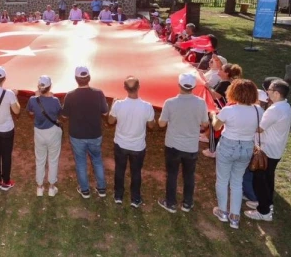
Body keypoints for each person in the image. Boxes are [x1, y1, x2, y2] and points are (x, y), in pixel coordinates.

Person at [211, 79, 261, 230]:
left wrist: (213, 114)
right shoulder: (259, 110)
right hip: (246, 147)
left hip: (228, 145)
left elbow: (216, 126)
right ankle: (234, 216)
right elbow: (258, 128)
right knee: (237, 182)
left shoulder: (229, 110)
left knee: (222, 180)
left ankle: (222, 211)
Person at [157, 73, 209, 213]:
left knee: (172, 174)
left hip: (173, 145)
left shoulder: (170, 102)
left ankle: (170, 203)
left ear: (179, 85)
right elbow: (205, 123)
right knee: (189, 175)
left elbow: (161, 124)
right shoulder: (201, 103)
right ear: (193, 87)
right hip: (191, 146)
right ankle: (187, 203)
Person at [245, 79, 291, 222]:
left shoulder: (274, 110)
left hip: (267, 151)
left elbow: (259, 129)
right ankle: (266, 202)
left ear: (276, 93)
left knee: (260, 181)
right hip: (276, 149)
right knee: (268, 179)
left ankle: (264, 211)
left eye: (269, 90)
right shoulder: (286, 106)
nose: (267, 92)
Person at [108, 76, 155, 208]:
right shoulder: (147, 106)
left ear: (125, 88)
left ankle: (118, 196)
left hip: (121, 144)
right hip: (138, 147)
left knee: (119, 169)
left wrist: (112, 105)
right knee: (136, 172)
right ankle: (135, 199)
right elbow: (151, 125)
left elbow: (110, 121)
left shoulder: (118, 104)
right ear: (138, 87)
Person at [62, 66, 109, 199]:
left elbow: (64, 116)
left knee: (81, 162)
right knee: (97, 161)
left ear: (76, 78)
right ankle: (101, 189)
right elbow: (105, 112)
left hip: (77, 135)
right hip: (95, 134)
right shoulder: (98, 93)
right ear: (89, 78)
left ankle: (85, 190)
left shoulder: (70, 95)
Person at [25, 75, 63, 197]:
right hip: (53, 132)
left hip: (39, 132)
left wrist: (37, 97)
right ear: (50, 87)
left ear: (38, 87)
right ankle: (51, 187)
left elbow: (31, 112)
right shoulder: (55, 100)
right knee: (53, 160)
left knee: (40, 160)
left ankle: (39, 187)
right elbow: (59, 113)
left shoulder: (32, 100)